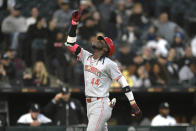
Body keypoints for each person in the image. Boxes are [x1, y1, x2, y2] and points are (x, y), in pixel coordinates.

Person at [64, 8, 142, 131]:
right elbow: (70, 44)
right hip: (90, 104)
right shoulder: (86, 56)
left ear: (105, 49)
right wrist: (74, 23)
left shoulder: (109, 64)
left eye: (102, 41)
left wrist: (133, 104)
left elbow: (124, 83)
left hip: (100, 104)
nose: (98, 40)